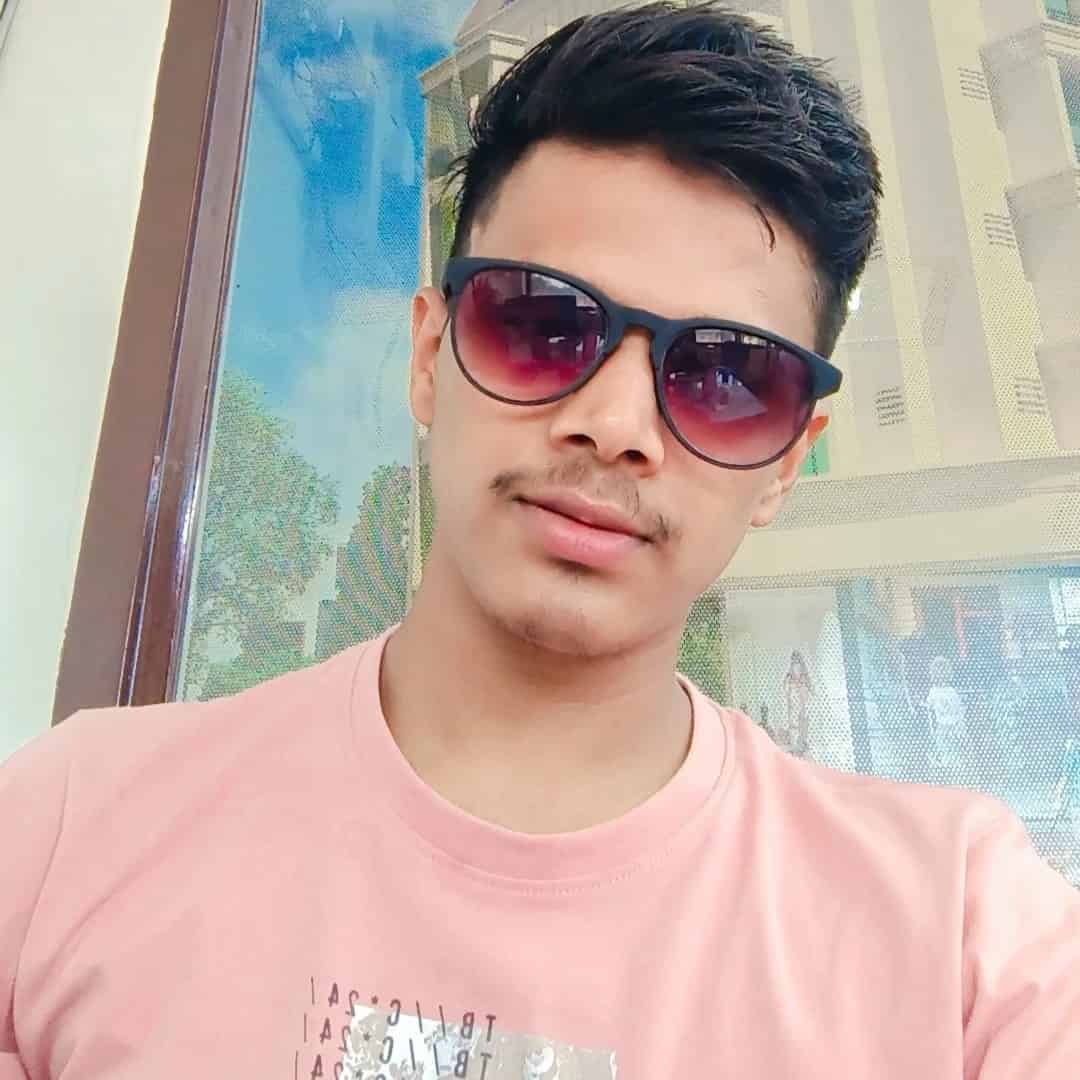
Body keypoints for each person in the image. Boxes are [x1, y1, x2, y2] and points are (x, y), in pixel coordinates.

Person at [2, 4, 1078, 1077]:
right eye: (542, 322)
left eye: (727, 376)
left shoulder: (968, 949)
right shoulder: (68, 834)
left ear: (788, 461)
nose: (614, 425)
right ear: (429, 355)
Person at [926, 654, 968, 778]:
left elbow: (929, 706)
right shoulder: (950, 692)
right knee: (951, 749)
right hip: (949, 726)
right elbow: (958, 710)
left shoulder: (935, 691)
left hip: (945, 726)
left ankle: (949, 767)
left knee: (947, 749)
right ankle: (952, 768)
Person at [782, 649, 813, 756]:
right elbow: (786, 686)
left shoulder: (802, 673)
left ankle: (800, 745)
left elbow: (808, 686)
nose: (795, 663)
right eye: (793, 659)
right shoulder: (790, 674)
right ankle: (796, 746)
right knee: (794, 722)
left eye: (796, 658)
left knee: (802, 721)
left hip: (800, 701)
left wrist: (802, 687)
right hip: (794, 701)